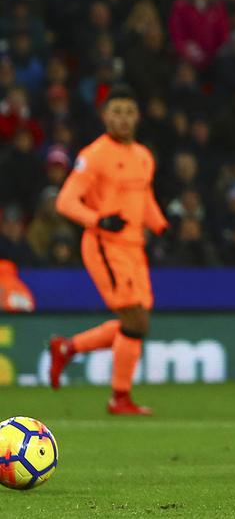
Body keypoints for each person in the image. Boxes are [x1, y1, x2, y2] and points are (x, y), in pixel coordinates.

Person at [49, 85, 169, 415]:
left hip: (134, 246)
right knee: (135, 320)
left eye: (129, 112)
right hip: (105, 244)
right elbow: (66, 201)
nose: (123, 119)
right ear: (105, 116)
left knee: (137, 322)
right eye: (116, 112)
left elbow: (143, 198)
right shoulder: (94, 155)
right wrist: (99, 220)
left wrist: (160, 225)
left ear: (137, 117)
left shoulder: (143, 156)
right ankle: (119, 398)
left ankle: (68, 347)